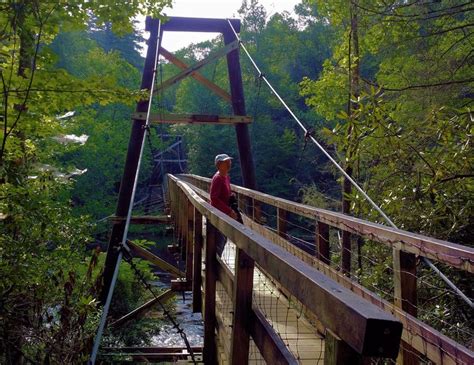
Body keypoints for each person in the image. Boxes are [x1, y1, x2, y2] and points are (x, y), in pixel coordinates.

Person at [210, 153, 238, 256]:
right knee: (220, 240)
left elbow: (223, 193)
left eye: (229, 161)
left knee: (224, 238)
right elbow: (214, 198)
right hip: (219, 214)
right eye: (226, 162)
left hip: (224, 213)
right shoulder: (218, 178)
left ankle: (217, 262)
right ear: (219, 164)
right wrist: (229, 211)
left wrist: (231, 195)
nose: (229, 163)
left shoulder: (225, 176)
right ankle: (215, 267)